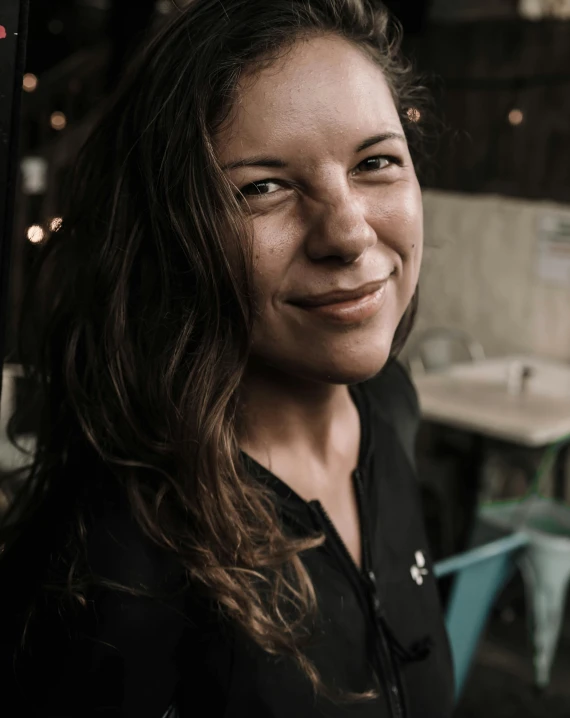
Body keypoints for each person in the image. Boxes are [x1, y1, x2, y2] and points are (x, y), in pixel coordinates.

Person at [0, 1, 454, 716]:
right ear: (169, 232)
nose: (346, 232)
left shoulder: (391, 407)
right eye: (263, 187)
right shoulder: (124, 550)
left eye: (375, 162)